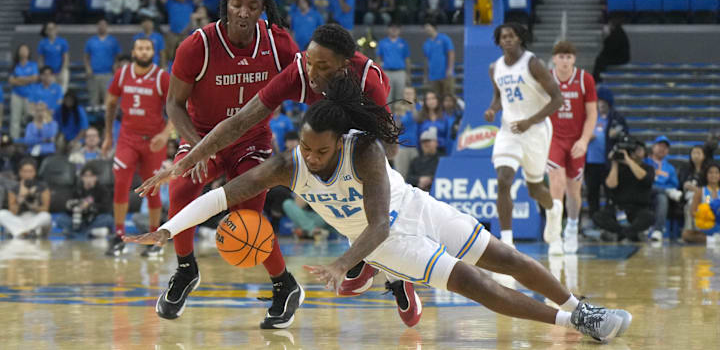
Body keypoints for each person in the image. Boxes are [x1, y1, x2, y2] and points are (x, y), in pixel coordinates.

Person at [127, 78, 631, 343]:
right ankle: (572, 324)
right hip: (388, 244)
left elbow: (382, 215)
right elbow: (223, 196)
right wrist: (169, 229)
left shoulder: (363, 150)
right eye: (307, 148)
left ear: (338, 140)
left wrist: (345, 263)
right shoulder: (287, 164)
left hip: (408, 211)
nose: (313, 157)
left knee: (507, 258)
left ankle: (577, 304)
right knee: (477, 286)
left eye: (321, 151)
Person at [135, 23, 419, 324]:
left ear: (343, 66)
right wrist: (185, 162)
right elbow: (239, 121)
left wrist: (359, 157)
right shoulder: (298, 73)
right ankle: (361, 260)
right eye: (309, 61)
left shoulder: (368, 81)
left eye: (321, 66)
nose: (311, 71)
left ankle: (397, 277)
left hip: (364, 144)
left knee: (375, 215)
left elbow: (390, 149)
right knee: (338, 209)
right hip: (326, 146)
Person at [130, 0, 305, 328]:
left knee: (247, 218)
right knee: (181, 187)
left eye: (253, 6)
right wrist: (198, 148)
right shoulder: (197, 46)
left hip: (251, 140)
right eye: (237, 4)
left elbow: (304, 82)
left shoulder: (279, 44)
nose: (244, 12)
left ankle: (285, 285)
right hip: (203, 136)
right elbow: (174, 105)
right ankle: (185, 269)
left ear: (263, 10)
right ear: (225, 5)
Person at [484, 23, 564, 248]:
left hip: (536, 130)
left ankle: (554, 209)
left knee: (534, 189)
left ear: (519, 39)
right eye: (503, 37)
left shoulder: (533, 64)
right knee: (503, 180)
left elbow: (558, 99)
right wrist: (492, 109)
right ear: (499, 42)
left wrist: (530, 121)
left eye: (511, 36)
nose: (507, 40)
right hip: (509, 131)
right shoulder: (494, 68)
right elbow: (500, 96)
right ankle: (507, 241)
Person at [100, 37, 173, 257]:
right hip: (127, 138)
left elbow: (176, 108)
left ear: (154, 52)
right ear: (133, 52)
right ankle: (119, 235)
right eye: (140, 48)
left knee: (152, 188)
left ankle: (153, 237)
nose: (143, 52)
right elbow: (111, 103)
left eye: (148, 48)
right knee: (121, 183)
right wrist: (107, 136)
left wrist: (165, 134)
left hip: (153, 140)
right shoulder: (122, 74)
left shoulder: (162, 77)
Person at [545, 41, 598, 255]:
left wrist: (584, 140)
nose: (565, 61)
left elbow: (592, 114)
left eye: (568, 57)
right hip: (554, 139)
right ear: (554, 59)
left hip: (577, 140)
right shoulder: (547, 79)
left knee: (573, 191)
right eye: (561, 56)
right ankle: (555, 235)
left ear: (574, 59)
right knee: (556, 185)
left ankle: (572, 228)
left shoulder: (585, 80)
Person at [591, 137, 655, 242]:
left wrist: (629, 161)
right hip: (618, 208)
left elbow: (643, 177)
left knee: (649, 217)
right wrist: (615, 163)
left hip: (638, 209)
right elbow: (611, 185)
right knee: (598, 216)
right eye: (635, 149)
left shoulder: (648, 168)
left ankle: (621, 233)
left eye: (640, 149)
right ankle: (628, 233)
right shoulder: (618, 167)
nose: (636, 152)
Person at [584, 87, 628, 216]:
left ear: (609, 102)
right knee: (592, 193)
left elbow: (626, 136)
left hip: (609, 163)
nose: (601, 104)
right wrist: (586, 137)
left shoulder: (616, 118)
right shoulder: (590, 117)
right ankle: (594, 220)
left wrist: (617, 135)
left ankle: (610, 221)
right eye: (598, 101)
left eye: (603, 101)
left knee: (611, 193)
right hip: (591, 163)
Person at [57, 164, 113, 238]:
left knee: (108, 219)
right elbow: (67, 207)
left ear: (96, 177)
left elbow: (107, 208)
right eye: (86, 176)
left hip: (94, 219)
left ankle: (75, 233)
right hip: (77, 219)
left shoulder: (102, 190)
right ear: (82, 177)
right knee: (60, 219)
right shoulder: (77, 189)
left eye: (91, 176)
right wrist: (74, 206)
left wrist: (90, 206)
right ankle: (87, 233)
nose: (89, 179)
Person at [0, 158, 52, 238]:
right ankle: (25, 232)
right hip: (18, 219)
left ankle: (21, 232)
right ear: (20, 172)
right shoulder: (14, 188)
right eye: (25, 171)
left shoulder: (43, 187)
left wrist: (34, 207)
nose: (27, 174)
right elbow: (13, 211)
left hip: (35, 219)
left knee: (46, 216)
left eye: (30, 171)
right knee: (2, 214)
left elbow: (45, 209)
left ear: (35, 172)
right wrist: (21, 197)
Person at [644, 135, 681, 242]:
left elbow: (674, 184)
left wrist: (662, 188)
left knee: (662, 197)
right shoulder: (645, 162)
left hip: (658, 195)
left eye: (665, 147)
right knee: (665, 192)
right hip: (645, 191)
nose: (662, 149)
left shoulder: (670, 168)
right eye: (660, 145)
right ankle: (666, 191)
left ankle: (658, 230)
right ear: (653, 147)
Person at [84, 19, 120, 107]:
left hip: (108, 74)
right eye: (100, 25)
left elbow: (118, 56)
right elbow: (86, 57)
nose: (102, 27)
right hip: (94, 74)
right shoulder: (91, 41)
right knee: (93, 101)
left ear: (107, 27)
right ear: (97, 27)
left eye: (104, 25)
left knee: (108, 101)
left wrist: (115, 66)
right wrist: (88, 68)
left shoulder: (113, 41)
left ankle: (108, 120)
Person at [680, 146, 711, 243]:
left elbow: (710, 189)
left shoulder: (709, 171)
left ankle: (699, 232)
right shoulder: (686, 170)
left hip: (707, 196)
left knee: (701, 203)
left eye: (698, 153)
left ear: (704, 156)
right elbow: (681, 185)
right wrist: (685, 185)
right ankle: (690, 230)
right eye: (693, 153)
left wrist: (696, 190)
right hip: (689, 197)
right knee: (690, 203)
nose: (696, 156)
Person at [8, 44, 39, 140]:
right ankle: (14, 140)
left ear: (29, 52)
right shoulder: (15, 66)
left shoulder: (33, 65)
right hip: (16, 95)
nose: (23, 51)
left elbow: (34, 78)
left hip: (29, 96)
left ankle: (30, 139)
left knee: (30, 118)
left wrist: (20, 79)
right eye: (21, 49)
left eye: (25, 49)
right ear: (18, 52)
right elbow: (11, 81)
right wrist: (27, 80)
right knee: (15, 119)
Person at [376, 23, 411, 108]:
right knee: (387, 97)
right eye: (392, 28)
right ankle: (389, 119)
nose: (394, 30)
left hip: (400, 72)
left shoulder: (403, 43)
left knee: (400, 97)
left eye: (396, 28)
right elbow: (378, 59)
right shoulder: (382, 43)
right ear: (388, 29)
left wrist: (408, 74)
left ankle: (399, 119)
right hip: (387, 72)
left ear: (399, 30)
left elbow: (407, 60)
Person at [689, 162, 720, 244]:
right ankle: (714, 240)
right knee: (686, 234)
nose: (713, 175)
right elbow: (692, 212)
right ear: (706, 175)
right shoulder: (700, 191)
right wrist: (703, 214)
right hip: (706, 226)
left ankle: (712, 239)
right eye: (710, 172)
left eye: (716, 172)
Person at [422, 22, 455, 98]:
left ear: (434, 27)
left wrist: (450, 69)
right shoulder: (426, 43)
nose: (427, 30)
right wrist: (426, 75)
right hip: (433, 76)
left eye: (428, 27)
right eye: (425, 28)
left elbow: (451, 53)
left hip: (445, 74)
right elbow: (426, 60)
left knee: (448, 97)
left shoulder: (444, 39)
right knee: (436, 98)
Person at [393, 87, 419, 178]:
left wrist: (412, 107)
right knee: (401, 176)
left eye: (410, 93)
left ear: (414, 95)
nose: (408, 96)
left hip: (416, 146)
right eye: (406, 93)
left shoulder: (418, 107)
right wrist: (399, 116)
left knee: (416, 175)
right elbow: (396, 127)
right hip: (402, 146)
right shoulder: (399, 109)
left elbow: (417, 119)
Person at [592, 18, 630, 82]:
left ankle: (596, 80)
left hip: (621, 58)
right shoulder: (617, 32)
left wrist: (605, 36)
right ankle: (595, 78)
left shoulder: (617, 34)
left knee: (600, 61)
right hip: (619, 56)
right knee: (600, 59)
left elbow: (609, 49)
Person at [37, 21, 70, 92]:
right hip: (49, 73)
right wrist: (43, 73)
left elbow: (66, 58)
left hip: (61, 71)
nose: (51, 30)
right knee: (50, 93)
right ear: (46, 31)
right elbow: (40, 60)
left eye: (53, 28)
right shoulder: (42, 43)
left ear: (56, 29)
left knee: (62, 93)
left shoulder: (62, 42)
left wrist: (62, 71)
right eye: (49, 29)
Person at [164, 0, 194, 64]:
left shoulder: (190, 4)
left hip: (186, 33)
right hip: (173, 33)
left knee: (187, 55)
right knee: (170, 54)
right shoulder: (170, 4)